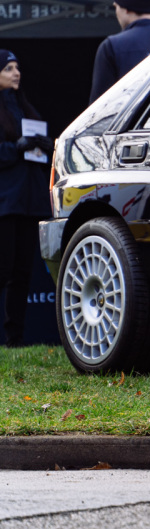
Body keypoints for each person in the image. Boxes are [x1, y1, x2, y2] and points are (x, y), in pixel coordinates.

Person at [0, 50, 53, 348]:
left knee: (22, 272)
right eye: (8, 68)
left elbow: (38, 156)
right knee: (3, 269)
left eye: (17, 67)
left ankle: (15, 339)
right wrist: (15, 148)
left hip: (30, 201)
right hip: (5, 203)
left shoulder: (25, 107)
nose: (16, 72)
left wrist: (45, 147)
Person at [90, 0, 150, 103]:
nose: (116, 12)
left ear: (126, 8)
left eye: (116, 6)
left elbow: (99, 109)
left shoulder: (112, 46)